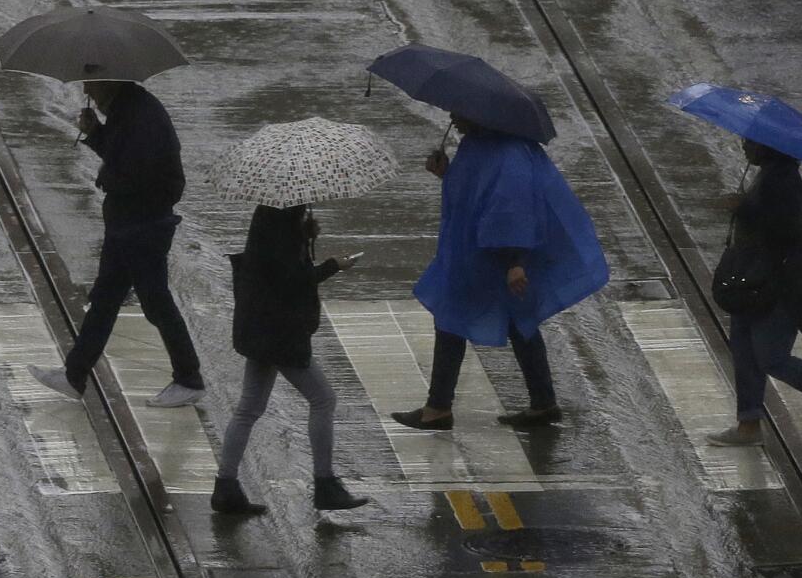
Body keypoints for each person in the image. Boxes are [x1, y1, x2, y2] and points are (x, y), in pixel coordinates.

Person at [390, 114, 608, 430]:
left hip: (493, 257)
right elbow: (474, 192)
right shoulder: (478, 144)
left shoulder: (509, 154)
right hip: (477, 253)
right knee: (518, 324)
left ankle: (438, 407)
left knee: (453, 320)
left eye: (458, 112)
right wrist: (446, 173)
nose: (453, 117)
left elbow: (514, 210)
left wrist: (514, 262)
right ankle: (542, 402)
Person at [28, 80, 205, 408]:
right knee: (106, 299)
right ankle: (74, 375)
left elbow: (133, 169)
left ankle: (189, 378)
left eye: (92, 87)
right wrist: (96, 133)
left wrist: (106, 174)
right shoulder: (129, 110)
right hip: (128, 224)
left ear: (108, 82)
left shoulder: (140, 115)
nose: (90, 95)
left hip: (143, 226)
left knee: (155, 301)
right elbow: (122, 153)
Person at [211, 204, 369, 514]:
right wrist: (332, 264)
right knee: (323, 399)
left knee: (248, 409)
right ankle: (325, 484)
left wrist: (306, 235)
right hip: (279, 332)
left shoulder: (270, 216)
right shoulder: (282, 221)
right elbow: (292, 280)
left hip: (260, 327)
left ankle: (225, 487)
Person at [707, 138, 802, 447]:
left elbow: (783, 230)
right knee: (744, 351)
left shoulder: (784, 180)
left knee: (771, 357)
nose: (743, 146)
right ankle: (748, 424)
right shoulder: (772, 174)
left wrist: (743, 208)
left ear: (770, 146)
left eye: (750, 141)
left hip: (775, 285)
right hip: (752, 279)